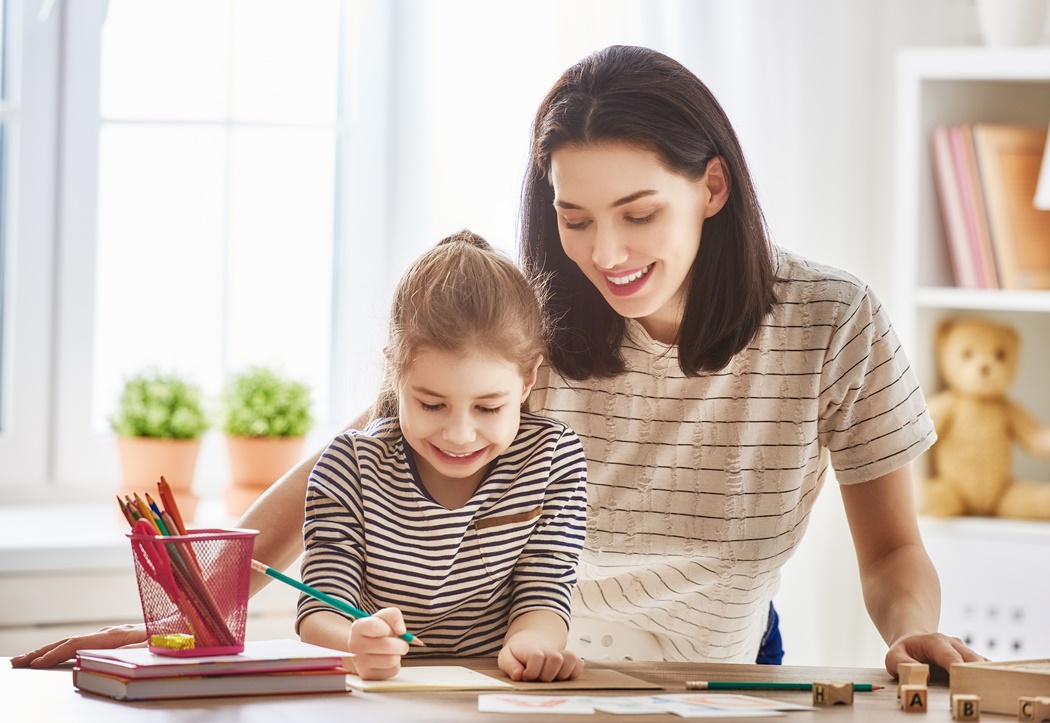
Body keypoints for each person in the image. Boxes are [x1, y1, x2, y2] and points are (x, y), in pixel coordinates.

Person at [13, 45, 983, 676]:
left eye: (640, 214)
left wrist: (908, 635)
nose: (606, 254)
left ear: (714, 186)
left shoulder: (833, 321)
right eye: (574, 219)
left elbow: (893, 551)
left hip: (715, 673)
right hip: (510, 672)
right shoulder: (535, 319)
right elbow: (346, 467)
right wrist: (175, 625)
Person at [299, 231, 587, 681]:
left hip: (494, 689)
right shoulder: (350, 466)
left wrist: (531, 644)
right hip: (380, 694)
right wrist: (354, 641)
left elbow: (545, 590)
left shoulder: (552, 458)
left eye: (488, 407)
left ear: (529, 379)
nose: (459, 435)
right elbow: (319, 606)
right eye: (432, 405)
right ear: (394, 371)